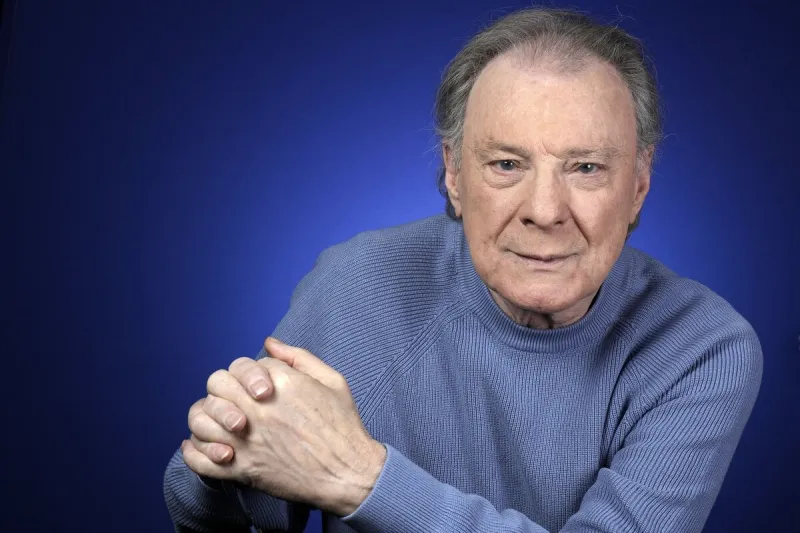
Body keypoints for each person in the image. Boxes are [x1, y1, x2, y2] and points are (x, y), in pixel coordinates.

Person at [163, 7, 762, 533]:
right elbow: (223, 516)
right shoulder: (358, 287)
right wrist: (218, 464)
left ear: (639, 183)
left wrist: (363, 480)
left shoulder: (701, 346)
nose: (545, 211)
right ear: (454, 174)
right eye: (506, 164)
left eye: (586, 168)